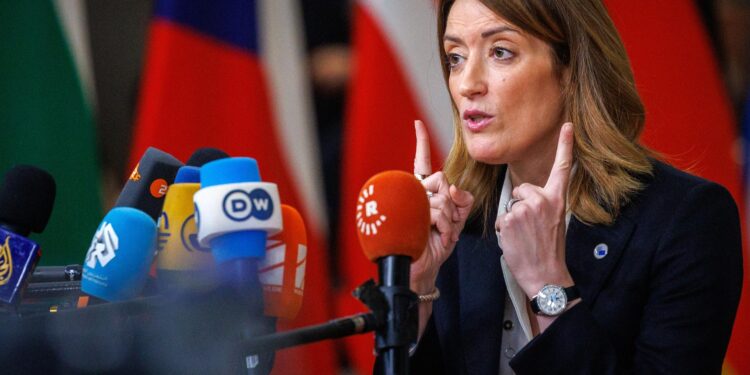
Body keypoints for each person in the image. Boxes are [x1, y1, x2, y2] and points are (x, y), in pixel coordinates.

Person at [406, 0, 744, 373]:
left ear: (571, 68)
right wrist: (417, 291)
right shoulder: (458, 223)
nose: (467, 84)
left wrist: (548, 285)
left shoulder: (687, 219)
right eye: (455, 57)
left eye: (501, 52)